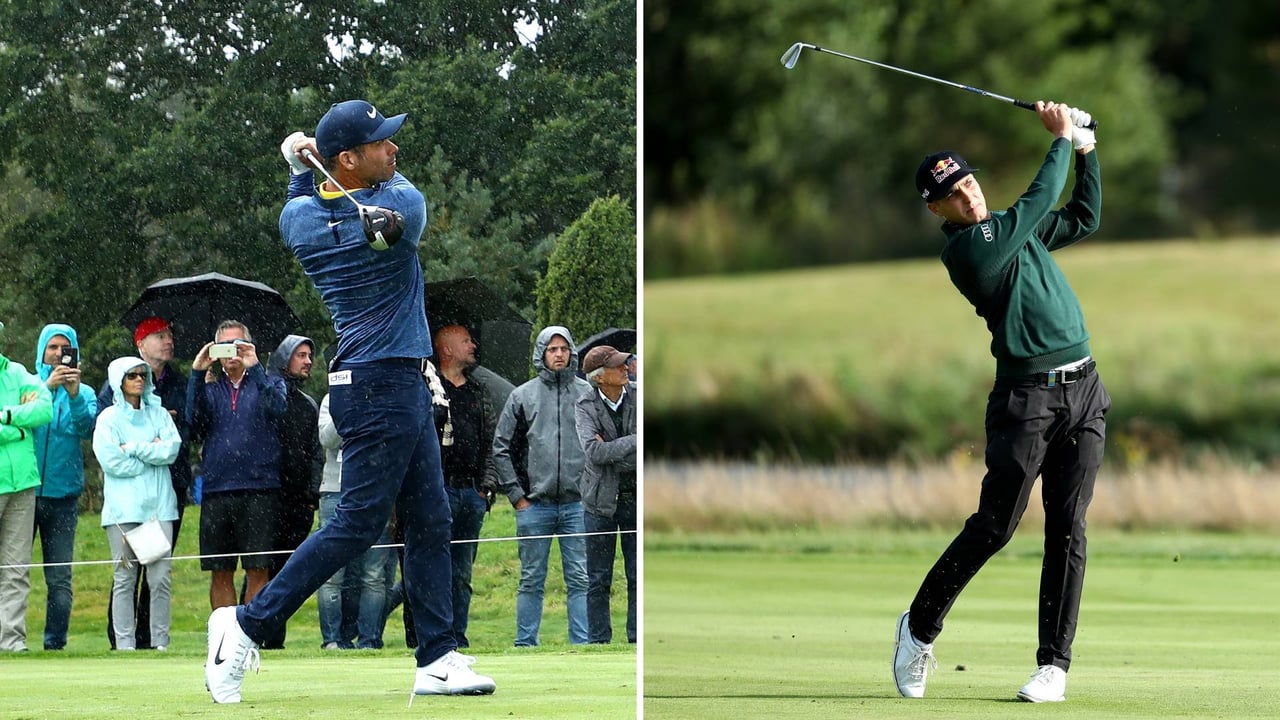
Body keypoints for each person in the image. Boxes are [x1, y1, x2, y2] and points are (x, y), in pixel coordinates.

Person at [203, 99, 494, 703]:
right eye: (381, 143)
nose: (394, 149)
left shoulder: (301, 221)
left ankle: (437, 657)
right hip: (383, 385)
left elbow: (300, 199)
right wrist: (310, 162)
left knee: (431, 518)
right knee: (358, 522)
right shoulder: (402, 212)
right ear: (348, 160)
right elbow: (394, 191)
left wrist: (298, 164)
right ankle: (246, 625)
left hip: (385, 383)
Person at [892, 102, 1107, 704]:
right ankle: (918, 629)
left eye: (968, 182)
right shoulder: (969, 251)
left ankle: (1053, 667)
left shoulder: (1014, 229)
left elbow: (1085, 217)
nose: (968, 196)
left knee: (1068, 530)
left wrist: (1087, 151)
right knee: (995, 526)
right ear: (936, 210)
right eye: (952, 195)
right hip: (1026, 400)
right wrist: (1061, 139)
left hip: (1085, 390)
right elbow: (1039, 201)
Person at [97, 316, 193, 650]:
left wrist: (136, 448)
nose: (139, 380)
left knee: (159, 577)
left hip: (157, 509)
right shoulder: (108, 419)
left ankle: (159, 642)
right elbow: (112, 461)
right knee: (124, 577)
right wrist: (149, 455)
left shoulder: (159, 414)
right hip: (124, 510)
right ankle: (124, 645)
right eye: (132, 375)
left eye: (142, 375)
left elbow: (171, 450)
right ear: (119, 381)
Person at [492, 325, 591, 647]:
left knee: (580, 578)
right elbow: (501, 448)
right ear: (541, 354)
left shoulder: (587, 393)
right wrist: (517, 496)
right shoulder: (522, 396)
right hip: (534, 505)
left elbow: (600, 444)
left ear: (572, 352)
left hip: (578, 505)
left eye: (564, 348)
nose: (559, 354)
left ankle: (582, 646)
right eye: (552, 349)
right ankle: (525, 644)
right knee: (531, 578)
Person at [187, 320, 287, 612]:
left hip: (260, 488)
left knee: (258, 568)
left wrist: (254, 368)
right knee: (220, 570)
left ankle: (251, 632)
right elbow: (193, 424)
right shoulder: (211, 389)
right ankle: (224, 634)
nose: (231, 352)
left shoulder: (270, 381)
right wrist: (197, 373)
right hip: (218, 488)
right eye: (224, 346)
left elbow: (277, 409)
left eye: (237, 345)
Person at [430, 324, 513, 648]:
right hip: (439, 491)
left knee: (462, 572)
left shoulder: (478, 392)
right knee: (432, 568)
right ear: (447, 349)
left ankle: (458, 639)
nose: (473, 345)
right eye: (465, 341)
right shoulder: (430, 389)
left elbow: (490, 442)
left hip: (471, 493)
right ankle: (433, 637)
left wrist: (486, 487)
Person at [252, 334, 323, 649]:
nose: (308, 361)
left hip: (298, 503)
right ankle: (255, 632)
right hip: (266, 498)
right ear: (284, 359)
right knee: (260, 570)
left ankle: (274, 637)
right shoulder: (265, 396)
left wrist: (311, 497)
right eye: (300, 355)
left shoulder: (308, 404)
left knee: (284, 572)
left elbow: (315, 454)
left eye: (309, 356)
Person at [31, 323, 96, 650]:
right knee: (11, 571)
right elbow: (26, 420)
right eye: (52, 347)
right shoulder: (28, 385)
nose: (58, 354)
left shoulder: (85, 392)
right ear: (41, 351)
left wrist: (73, 395)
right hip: (24, 493)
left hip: (63, 496)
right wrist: (47, 388)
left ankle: (54, 644)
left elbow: (88, 430)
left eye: (64, 348)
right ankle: (9, 639)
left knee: (59, 577)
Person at [315, 392, 391, 650]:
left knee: (373, 574)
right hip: (335, 490)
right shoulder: (332, 399)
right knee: (331, 573)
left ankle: (369, 641)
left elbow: (387, 442)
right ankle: (333, 640)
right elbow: (328, 439)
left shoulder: (382, 398)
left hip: (375, 489)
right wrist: (347, 405)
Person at [575, 345, 637, 644]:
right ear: (599, 377)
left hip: (637, 499)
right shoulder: (584, 405)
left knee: (638, 575)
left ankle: (637, 638)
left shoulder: (639, 395)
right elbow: (594, 452)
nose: (625, 368)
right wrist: (634, 441)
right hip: (599, 503)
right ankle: (599, 642)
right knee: (598, 579)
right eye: (618, 365)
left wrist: (614, 449)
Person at [0, 326, 53, 652]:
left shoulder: (17, 372)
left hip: (23, 482)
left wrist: (6, 415)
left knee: (16, 568)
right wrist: (19, 429)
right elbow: (28, 420)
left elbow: (44, 409)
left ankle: (11, 640)